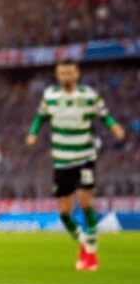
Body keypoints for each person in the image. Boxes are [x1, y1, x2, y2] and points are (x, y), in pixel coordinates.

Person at [26, 60, 125, 271]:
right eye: (62, 73)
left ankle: (91, 252)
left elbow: (104, 115)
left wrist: (114, 126)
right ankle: (84, 243)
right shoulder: (50, 96)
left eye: (70, 72)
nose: (66, 76)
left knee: (86, 201)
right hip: (61, 159)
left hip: (84, 156)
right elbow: (39, 117)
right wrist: (33, 133)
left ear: (77, 73)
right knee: (64, 211)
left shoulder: (89, 96)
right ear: (57, 75)